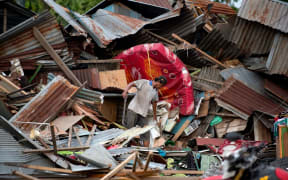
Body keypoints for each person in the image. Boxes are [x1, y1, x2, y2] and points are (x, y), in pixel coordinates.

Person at [122, 76, 167, 147]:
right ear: (158, 82)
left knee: (146, 132)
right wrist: (125, 91)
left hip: (143, 113)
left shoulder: (155, 91)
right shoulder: (144, 82)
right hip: (134, 109)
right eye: (160, 85)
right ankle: (124, 147)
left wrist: (155, 116)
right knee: (129, 130)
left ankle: (146, 152)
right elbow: (132, 84)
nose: (160, 87)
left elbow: (154, 102)